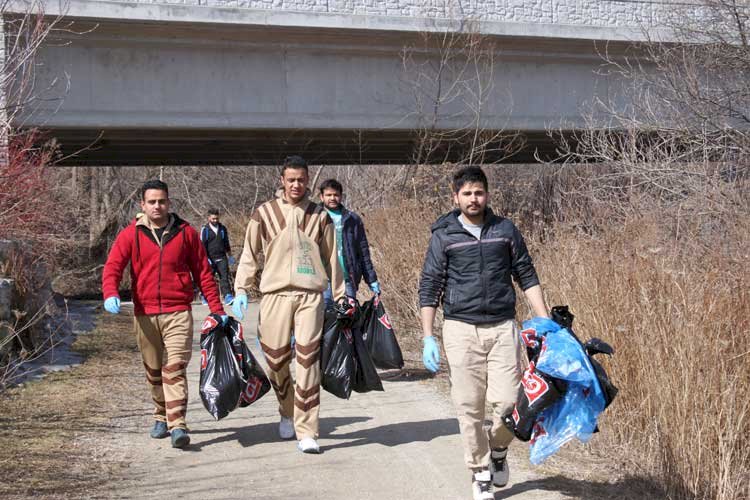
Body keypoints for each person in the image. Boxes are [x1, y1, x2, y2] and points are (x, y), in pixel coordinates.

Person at [418, 166, 549, 500]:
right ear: (455, 197)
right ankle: (479, 473)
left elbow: (526, 274)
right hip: (461, 329)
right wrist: (428, 336)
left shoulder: (504, 230)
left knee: (509, 403)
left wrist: (544, 320)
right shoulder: (444, 235)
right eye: (466, 193)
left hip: (503, 327)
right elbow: (430, 286)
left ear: (487, 195)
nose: (473, 199)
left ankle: (498, 450)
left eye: (478, 192)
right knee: (469, 407)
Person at [232, 155, 347, 454]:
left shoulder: (319, 216)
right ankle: (287, 410)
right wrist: (241, 288)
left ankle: (307, 429)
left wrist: (341, 294)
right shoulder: (264, 213)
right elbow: (249, 253)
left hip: (310, 295)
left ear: (308, 181)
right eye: (291, 179)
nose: (296, 184)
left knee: (308, 359)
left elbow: (334, 259)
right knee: (276, 359)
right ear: (282, 181)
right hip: (274, 295)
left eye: (301, 179)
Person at [102, 180, 227, 449]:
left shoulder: (186, 233)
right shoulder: (130, 235)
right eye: (152, 202)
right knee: (154, 370)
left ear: (169, 203)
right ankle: (160, 415)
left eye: (162, 201)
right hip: (145, 313)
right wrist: (110, 292)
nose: (157, 206)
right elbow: (113, 266)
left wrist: (217, 309)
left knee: (175, 368)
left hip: (178, 311)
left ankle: (178, 424)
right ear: (143, 205)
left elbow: (203, 273)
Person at [318, 178, 380, 307]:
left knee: (347, 321)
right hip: (322, 280)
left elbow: (363, 252)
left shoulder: (352, 220)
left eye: (336, 195)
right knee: (322, 321)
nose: (332, 198)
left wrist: (372, 280)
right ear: (321, 197)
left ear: (341, 196)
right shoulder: (314, 217)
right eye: (328, 195)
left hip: (346, 279)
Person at [200, 208, 235, 305]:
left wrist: (230, 256)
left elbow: (226, 243)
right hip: (210, 258)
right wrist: (205, 259)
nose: (215, 220)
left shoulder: (222, 229)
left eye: (217, 218)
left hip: (222, 257)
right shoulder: (205, 230)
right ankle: (204, 296)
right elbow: (202, 246)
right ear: (208, 218)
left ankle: (227, 296)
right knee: (209, 279)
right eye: (213, 219)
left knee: (224, 277)